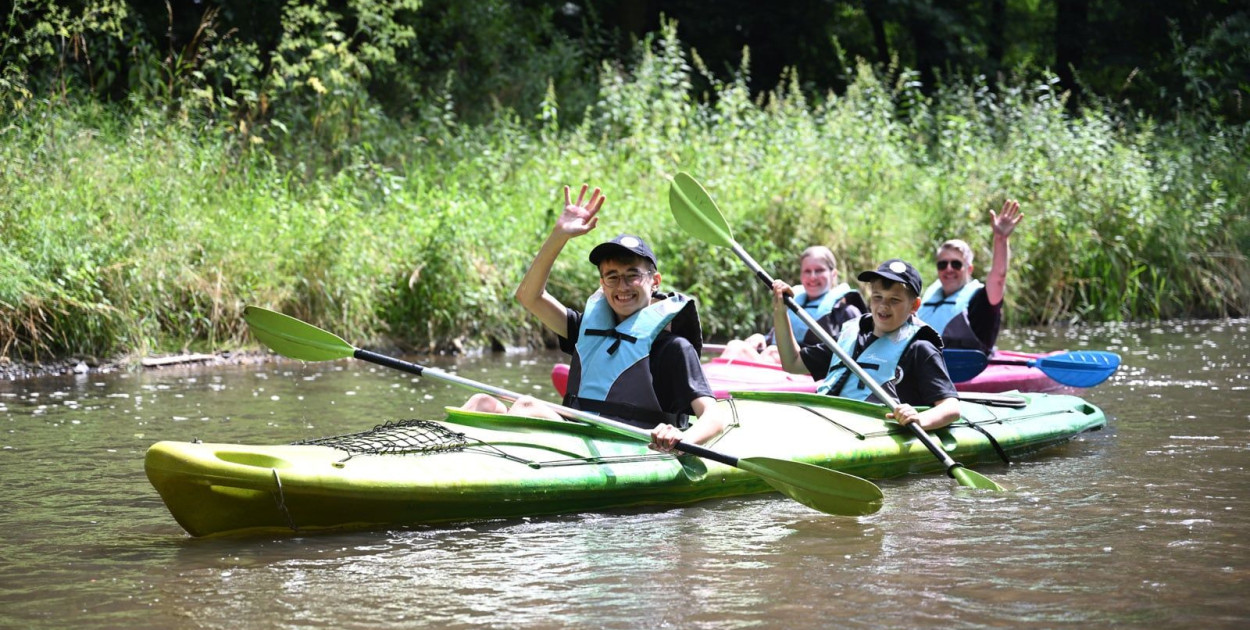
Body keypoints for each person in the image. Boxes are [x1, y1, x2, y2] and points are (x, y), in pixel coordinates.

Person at [460, 184, 722, 452]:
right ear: (602, 283)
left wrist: (679, 437)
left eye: (633, 275)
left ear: (654, 281)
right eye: (613, 276)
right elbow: (529, 296)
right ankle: (440, 457)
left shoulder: (674, 349)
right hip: (578, 439)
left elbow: (713, 418)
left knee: (527, 406)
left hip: (629, 448)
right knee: (482, 402)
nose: (622, 286)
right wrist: (558, 235)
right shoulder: (583, 329)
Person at [771, 258, 961, 431]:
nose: (883, 306)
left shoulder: (920, 349)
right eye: (878, 297)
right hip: (833, 425)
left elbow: (950, 408)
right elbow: (792, 363)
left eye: (894, 300)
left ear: (914, 306)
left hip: (877, 433)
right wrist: (780, 312)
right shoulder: (850, 337)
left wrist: (920, 419)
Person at [719, 246, 866, 364]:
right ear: (801, 275)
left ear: (833, 274)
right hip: (777, 365)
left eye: (819, 270)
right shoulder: (791, 303)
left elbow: (858, 352)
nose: (812, 277)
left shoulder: (847, 312)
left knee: (773, 353)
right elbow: (774, 338)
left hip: (807, 371)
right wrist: (762, 338)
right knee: (735, 346)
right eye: (807, 271)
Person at [918, 200, 1023, 353]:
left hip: (967, 369)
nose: (948, 269)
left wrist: (1000, 239)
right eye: (942, 264)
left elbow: (998, 278)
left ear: (970, 269)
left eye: (956, 264)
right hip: (926, 365)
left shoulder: (981, 300)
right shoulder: (929, 296)